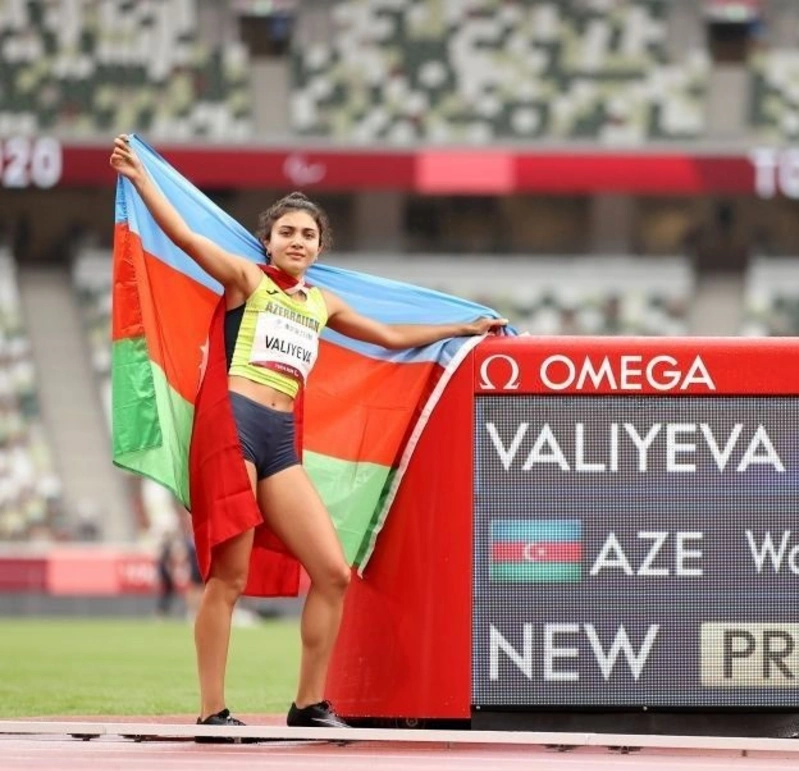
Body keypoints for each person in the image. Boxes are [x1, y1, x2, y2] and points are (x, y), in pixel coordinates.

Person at [109, 135, 506, 734]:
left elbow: (390, 338)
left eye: (309, 235)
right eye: (287, 232)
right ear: (268, 240)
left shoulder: (320, 302)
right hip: (234, 429)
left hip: (278, 441)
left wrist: (465, 326)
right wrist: (144, 181)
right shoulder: (248, 278)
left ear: (321, 247)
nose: (298, 242)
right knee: (229, 576)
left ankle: (308, 704)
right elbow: (188, 241)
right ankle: (212, 710)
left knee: (332, 572)